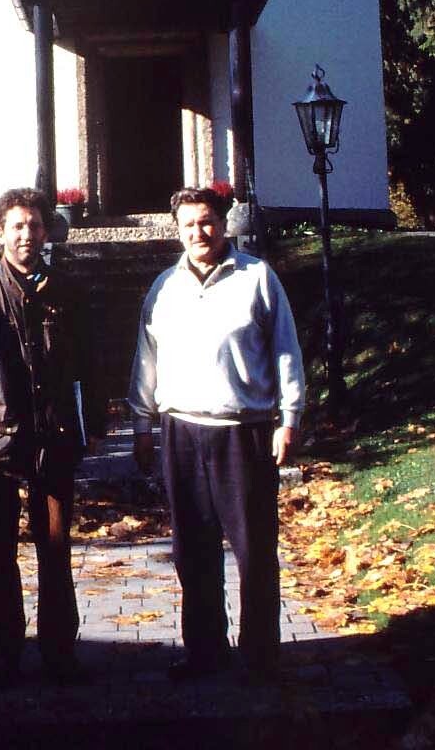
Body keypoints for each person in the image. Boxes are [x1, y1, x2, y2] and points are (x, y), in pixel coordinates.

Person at [129, 186, 305, 682]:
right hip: (182, 431)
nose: (198, 232)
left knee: (253, 549)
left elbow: (286, 351)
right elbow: (146, 360)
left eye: (206, 221)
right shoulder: (163, 288)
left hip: (242, 432)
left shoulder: (257, 279)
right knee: (193, 549)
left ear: (222, 223)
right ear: (177, 229)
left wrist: (289, 417)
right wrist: (141, 423)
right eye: (188, 224)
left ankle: (260, 656)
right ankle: (205, 651)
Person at [0, 186, 103, 688]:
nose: (27, 234)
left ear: (47, 231)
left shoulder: (67, 293)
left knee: (55, 547)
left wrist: (89, 424)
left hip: (52, 439)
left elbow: (91, 367)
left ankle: (59, 654)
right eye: (17, 226)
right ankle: (5, 655)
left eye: (35, 225)